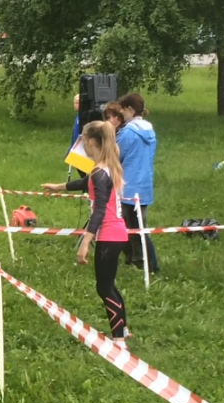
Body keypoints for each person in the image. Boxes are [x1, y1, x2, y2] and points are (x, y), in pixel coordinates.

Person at [41, 121, 130, 345]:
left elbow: (99, 210)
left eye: (83, 142)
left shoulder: (100, 172)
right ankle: (123, 328)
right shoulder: (105, 168)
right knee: (109, 284)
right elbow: (85, 182)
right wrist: (58, 187)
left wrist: (85, 242)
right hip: (118, 233)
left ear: (91, 142)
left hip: (109, 234)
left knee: (104, 286)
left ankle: (118, 339)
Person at [117, 92, 159, 273]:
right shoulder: (150, 131)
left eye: (123, 111)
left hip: (127, 185)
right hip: (144, 185)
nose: (122, 115)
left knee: (123, 226)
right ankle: (136, 259)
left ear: (130, 110)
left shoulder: (128, 132)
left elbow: (116, 156)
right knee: (137, 226)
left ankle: (152, 264)